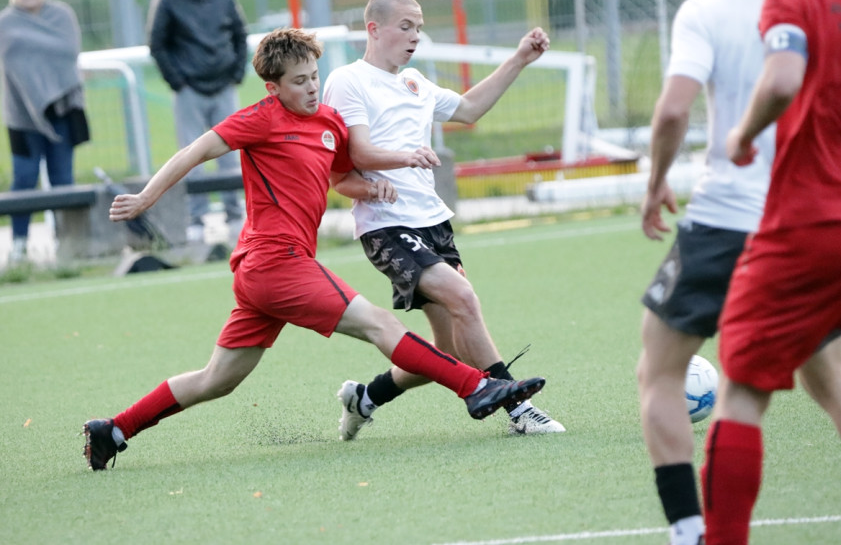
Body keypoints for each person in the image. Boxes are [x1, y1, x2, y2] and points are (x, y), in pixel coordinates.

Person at [81, 27, 546, 471]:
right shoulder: (261, 119)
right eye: (298, 81)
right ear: (273, 88)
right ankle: (477, 387)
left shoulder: (329, 123)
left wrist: (373, 188)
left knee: (216, 380)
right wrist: (146, 197)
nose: (311, 88)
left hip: (268, 272)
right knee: (380, 324)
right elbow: (194, 152)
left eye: (314, 77)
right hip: (275, 261)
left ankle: (114, 429)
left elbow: (343, 179)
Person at [638, 0, 841, 544]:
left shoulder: (731, 5)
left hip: (743, 220)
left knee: (666, 372)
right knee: (830, 381)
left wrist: (659, 182)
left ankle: (691, 531)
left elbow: (675, 108)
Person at [322, 0, 564, 439]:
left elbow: (469, 110)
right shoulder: (348, 80)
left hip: (433, 221)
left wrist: (519, 60)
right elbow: (358, 152)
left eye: (419, 27)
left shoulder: (414, 82)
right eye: (406, 26)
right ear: (374, 29)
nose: (416, 36)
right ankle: (519, 407)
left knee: (447, 349)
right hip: (387, 224)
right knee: (464, 298)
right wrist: (405, 156)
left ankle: (366, 397)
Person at [147, 0, 246, 243]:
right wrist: (177, 81)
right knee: (190, 157)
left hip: (224, 87)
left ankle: (235, 216)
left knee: (231, 155)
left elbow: (240, 35)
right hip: (189, 91)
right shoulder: (167, 0)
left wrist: (236, 73)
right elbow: (157, 44)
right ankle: (197, 220)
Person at [0, 0, 90, 265]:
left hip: (62, 110)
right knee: (24, 179)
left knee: (63, 178)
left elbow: (68, 52)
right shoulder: (6, 23)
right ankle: (19, 245)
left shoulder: (62, 15)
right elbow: (13, 59)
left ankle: (68, 243)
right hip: (22, 115)